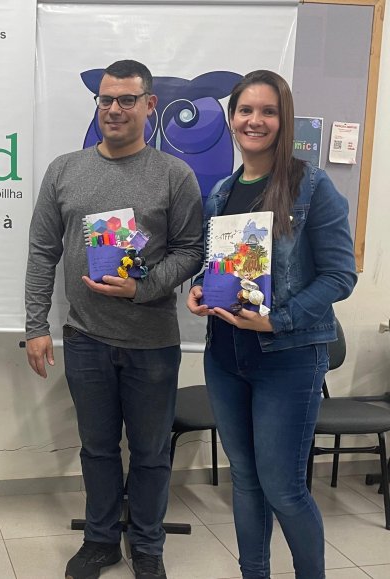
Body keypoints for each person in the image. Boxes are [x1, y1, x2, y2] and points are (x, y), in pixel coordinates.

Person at [25, 59, 204, 579]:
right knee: (98, 450)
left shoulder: (174, 175)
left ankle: (147, 545)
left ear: (150, 105)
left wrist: (141, 288)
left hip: (152, 342)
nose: (115, 109)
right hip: (86, 339)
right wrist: (36, 326)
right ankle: (101, 540)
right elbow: (42, 252)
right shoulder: (64, 170)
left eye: (127, 99)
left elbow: (192, 251)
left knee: (150, 453)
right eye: (106, 99)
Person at [186, 70, 357, 579]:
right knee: (245, 480)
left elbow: (340, 276)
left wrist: (277, 320)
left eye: (268, 111)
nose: (254, 121)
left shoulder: (313, 187)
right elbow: (217, 265)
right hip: (225, 356)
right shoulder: (221, 192)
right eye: (245, 110)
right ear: (232, 118)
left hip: (288, 359)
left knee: (283, 488)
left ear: (284, 120)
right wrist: (199, 288)